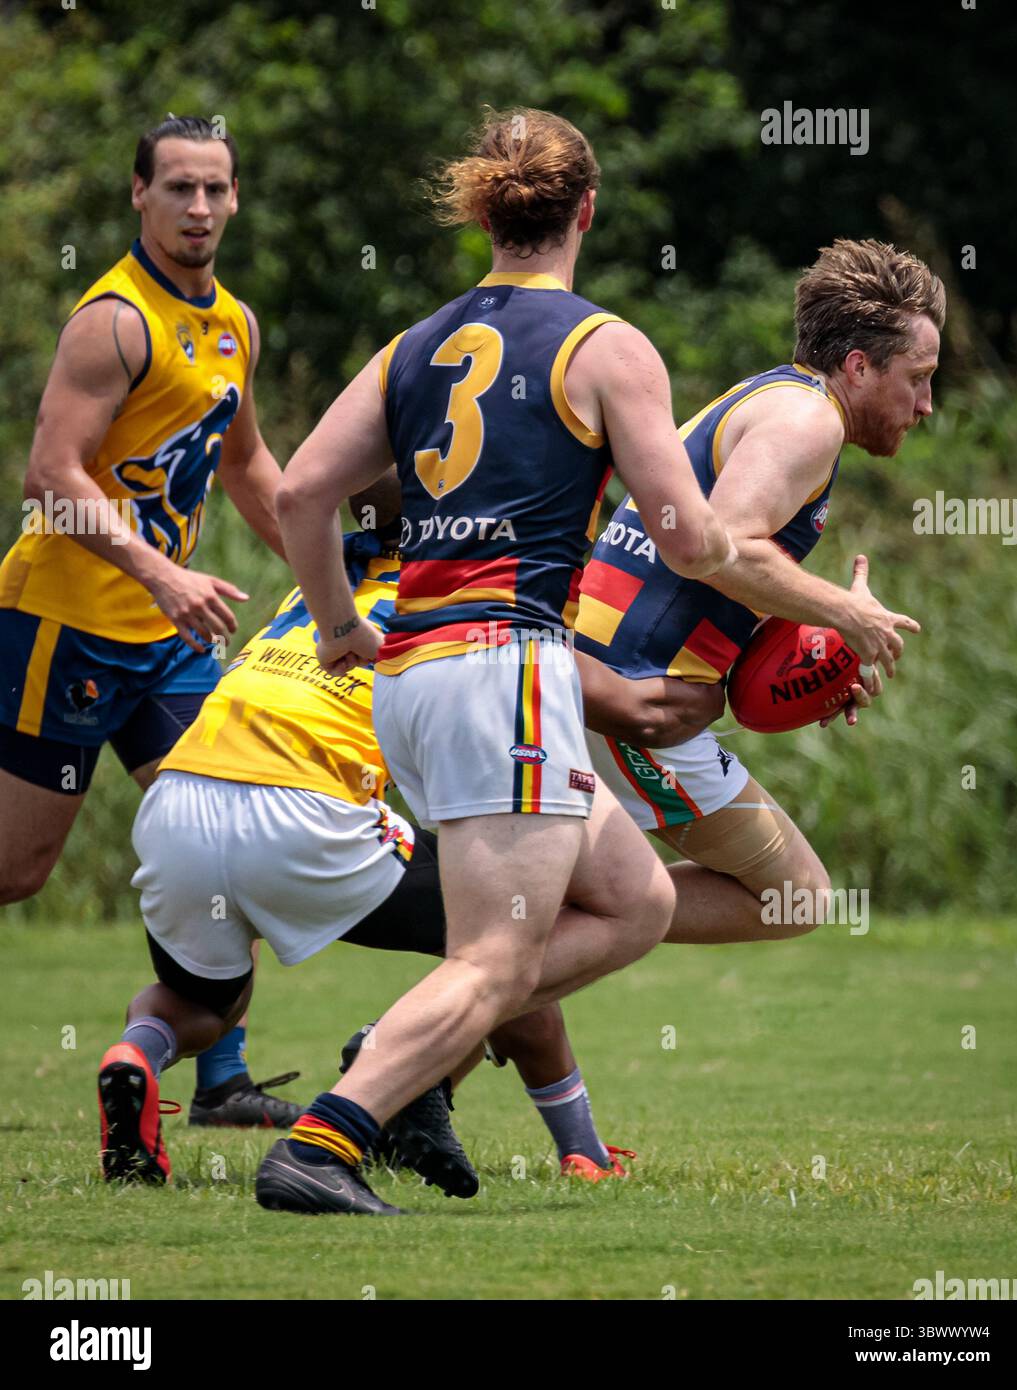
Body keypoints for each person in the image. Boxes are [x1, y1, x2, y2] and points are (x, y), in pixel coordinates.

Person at [266, 106, 734, 1215]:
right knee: (493, 959)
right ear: (585, 209)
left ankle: (404, 1047)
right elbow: (686, 537)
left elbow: (296, 494)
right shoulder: (605, 345)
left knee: (631, 901)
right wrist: (798, 600)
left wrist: (337, 623)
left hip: (418, 676)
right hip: (504, 669)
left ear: (482, 211)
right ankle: (321, 1144)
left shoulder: (412, 344)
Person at [96, 484, 722, 1195]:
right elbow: (643, 711)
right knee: (506, 938)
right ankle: (480, 1096)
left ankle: (135, 1056)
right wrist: (722, 677)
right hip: (305, 811)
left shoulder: (318, 589)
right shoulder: (470, 600)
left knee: (205, 1004)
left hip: (177, 800)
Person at [0, 115, 298, 1128]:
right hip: (63, 624)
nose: (199, 208)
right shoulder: (114, 320)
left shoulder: (232, 327)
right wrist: (157, 570)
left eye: (215, 188)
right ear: (139, 196)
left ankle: (221, 1082)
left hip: (167, 648)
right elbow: (49, 477)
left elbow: (248, 464)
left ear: (236, 197)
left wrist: (328, 570)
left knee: (227, 842)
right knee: (16, 870)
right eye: (178, 188)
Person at [573, 238, 941, 944]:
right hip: (633, 698)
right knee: (796, 897)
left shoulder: (773, 395)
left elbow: (702, 567)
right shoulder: (810, 422)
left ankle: (519, 924)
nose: (926, 404)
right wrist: (844, 612)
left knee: (623, 898)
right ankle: (518, 920)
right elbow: (721, 550)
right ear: (859, 366)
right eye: (919, 377)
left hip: (600, 675)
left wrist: (812, 659)